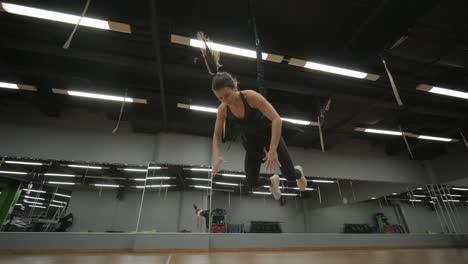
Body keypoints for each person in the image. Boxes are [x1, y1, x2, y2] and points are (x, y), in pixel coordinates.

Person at [197, 33, 307, 200]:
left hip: (269, 135)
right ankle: (271, 182)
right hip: (251, 142)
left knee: (290, 175)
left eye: (227, 95)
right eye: (220, 98)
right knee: (252, 182)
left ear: (234, 87)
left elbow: (276, 119)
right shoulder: (222, 110)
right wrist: (216, 156)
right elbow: (217, 135)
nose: (225, 100)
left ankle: (299, 174)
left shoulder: (250, 97)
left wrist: (272, 149)